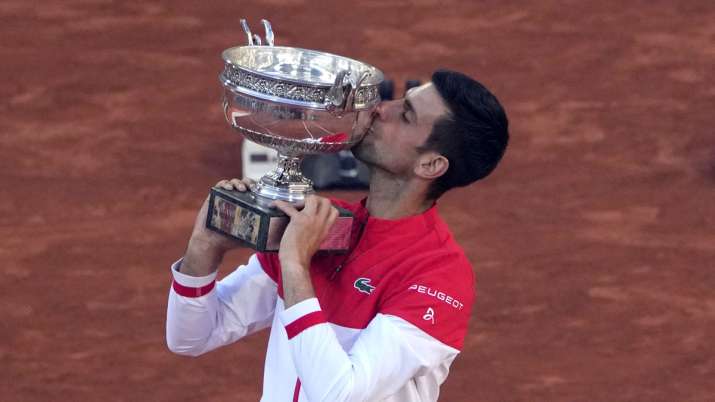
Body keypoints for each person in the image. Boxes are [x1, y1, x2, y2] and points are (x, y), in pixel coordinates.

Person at [166, 69, 509, 401]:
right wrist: (205, 245)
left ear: (430, 165)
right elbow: (191, 337)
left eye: (405, 115)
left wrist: (297, 266)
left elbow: (340, 392)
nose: (379, 108)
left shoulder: (439, 274)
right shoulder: (321, 223)